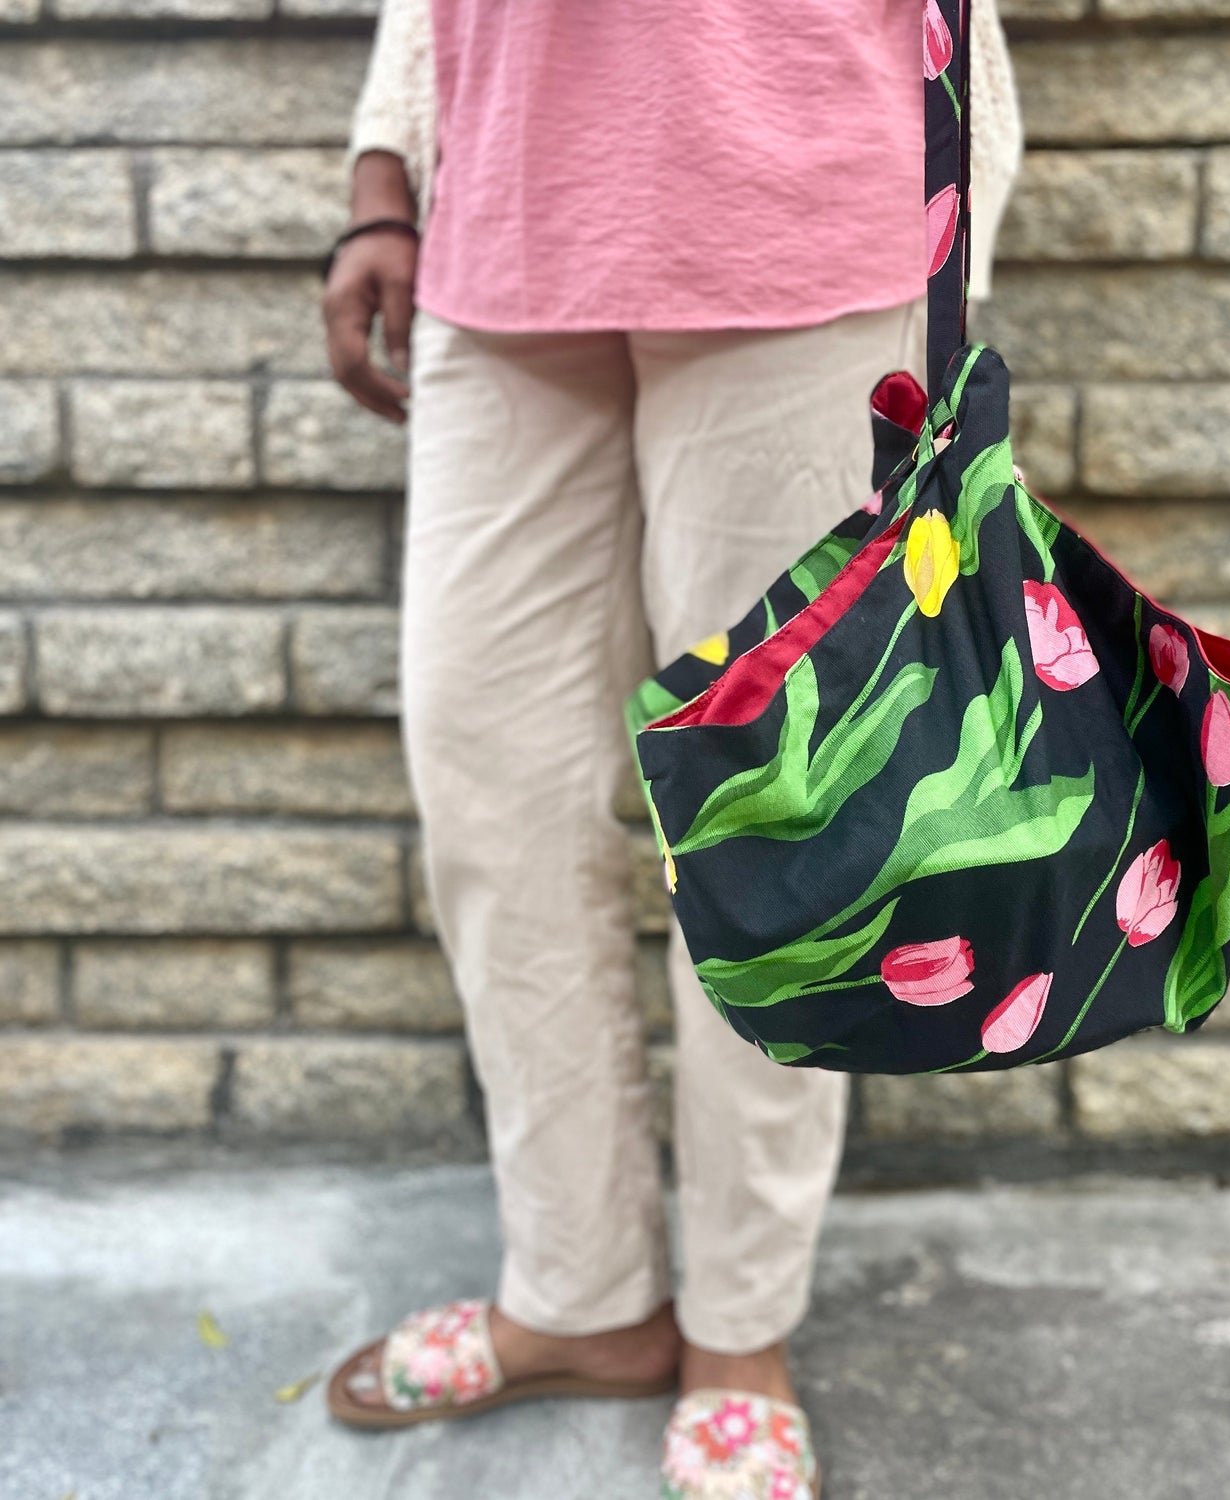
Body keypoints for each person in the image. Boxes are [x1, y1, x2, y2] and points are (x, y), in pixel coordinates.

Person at [320, 2, 1022, 1493]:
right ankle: (580, 1296)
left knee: (779, 820)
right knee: (489, 787)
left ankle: (740, 1330)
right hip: (505, 235)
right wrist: (385, 172)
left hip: (808, 231)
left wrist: (954, 275)